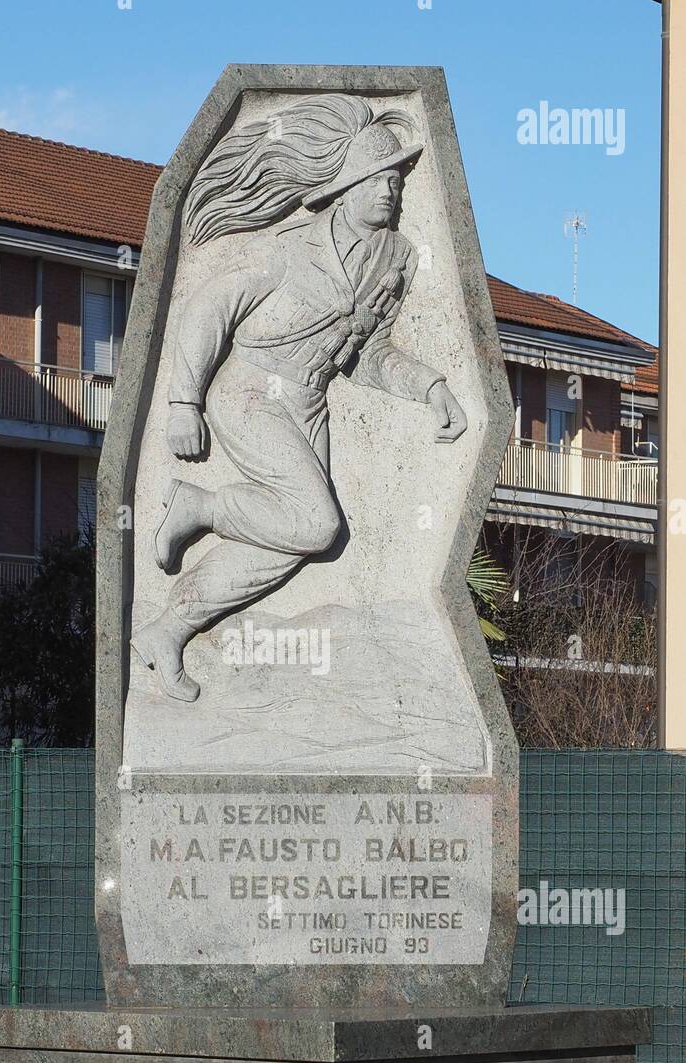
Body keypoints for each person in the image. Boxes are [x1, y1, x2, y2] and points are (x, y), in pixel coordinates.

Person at [135, 94, 467, 701]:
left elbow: (366, 354)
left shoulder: (392, 260)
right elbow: (209, 309)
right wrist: (183, 400)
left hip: (309, 404)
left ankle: (167, 629)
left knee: (297, 541)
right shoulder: (290, 247)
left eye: (396, 179)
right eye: (377, 179)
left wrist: (431, 386)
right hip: (251, 391)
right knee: (316, 522)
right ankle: (197, 507)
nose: (390, 190)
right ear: (345, 188)